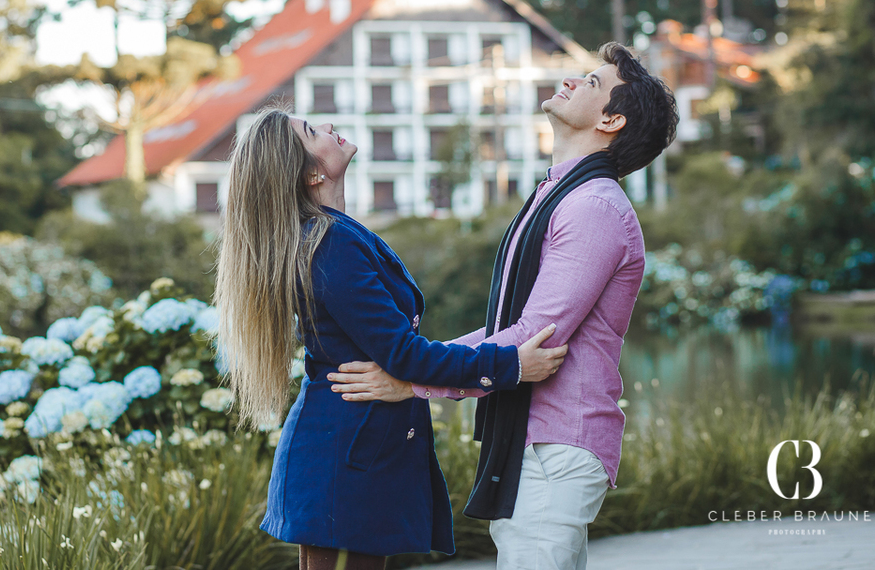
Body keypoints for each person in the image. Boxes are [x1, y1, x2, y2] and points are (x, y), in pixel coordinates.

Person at [329, 42, 679, 570]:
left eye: (591, 81)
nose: (572, 80)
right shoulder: (557, 195)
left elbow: (535, 336)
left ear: (611, 119)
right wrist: (420, 365)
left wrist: (411, 378)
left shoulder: (593, 207)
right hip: (534, 443)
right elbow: (508, 327)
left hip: (558, 443)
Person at [214, 107, 568, 570]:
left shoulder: (331, 234)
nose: (329, 128)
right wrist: (511, 366)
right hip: (344, 459)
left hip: (349, 449)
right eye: (312, 132)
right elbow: (403, 354)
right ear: (312, 173)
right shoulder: (328, 245)